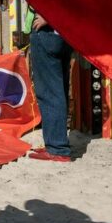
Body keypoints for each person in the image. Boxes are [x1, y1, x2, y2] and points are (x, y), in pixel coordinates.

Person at [25, 9, 75, 162]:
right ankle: (55, 142)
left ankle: (57, 147)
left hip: (47, 33)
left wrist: (49, 16)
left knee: (49, 92)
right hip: (62, 34)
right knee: (59, 90)